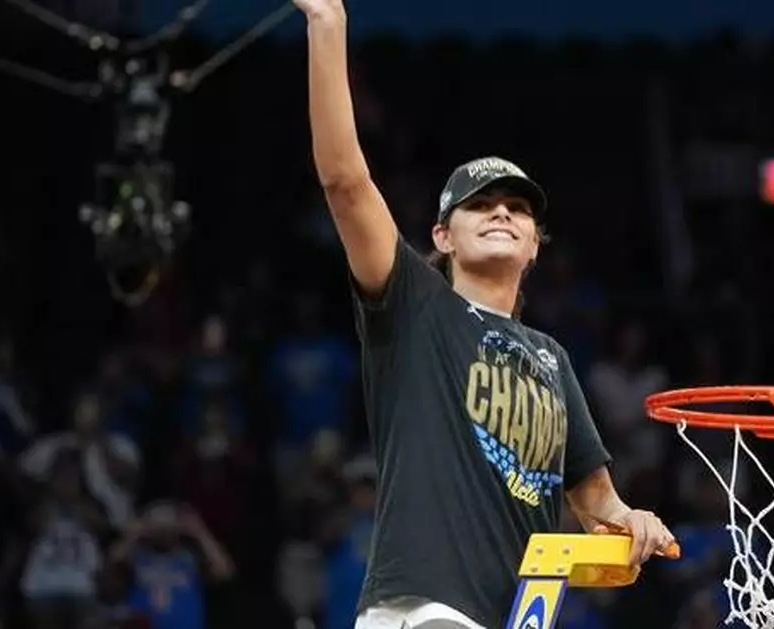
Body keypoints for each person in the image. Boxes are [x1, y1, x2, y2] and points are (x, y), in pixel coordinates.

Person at [290, 1, 677, 628]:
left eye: (517, 209)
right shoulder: (417, 305)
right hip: (421, 609)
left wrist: (630, 520)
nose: (501, 212)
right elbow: (344, 181)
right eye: (481, 204)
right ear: (442, 237)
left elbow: (596, 499)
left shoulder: (552, 359)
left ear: (533, 246)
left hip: (508, 613)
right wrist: (327, 24)